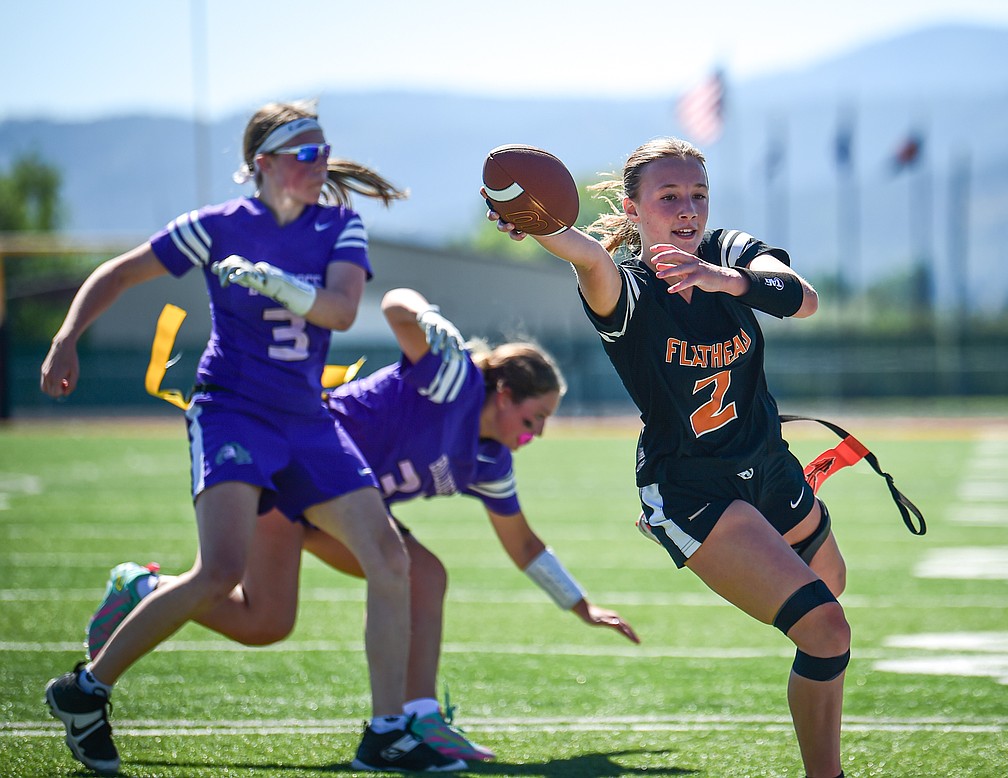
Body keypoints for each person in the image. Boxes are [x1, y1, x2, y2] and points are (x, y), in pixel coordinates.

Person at [40, 100, 463, 773]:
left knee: (389, 559)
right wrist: (66, 338)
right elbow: (118, 272)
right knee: (221, 571)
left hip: (306, 418)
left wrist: (282, 286)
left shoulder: (338, 225)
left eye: (323, 150)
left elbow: (344, 309)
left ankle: (385, 732)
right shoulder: (216, 227)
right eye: (304, 153)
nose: (319, 163)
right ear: (263, 164)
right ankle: (85, 690)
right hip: (233, 410)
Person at [86, 287, 640, 763]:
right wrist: (428, 314)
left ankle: (417, 718)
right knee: (323, 602)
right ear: (503, 394)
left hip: (339, 508)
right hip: (293, 471)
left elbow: (522, 544)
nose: (537, 433)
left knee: (357, 595)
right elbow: (398, 306)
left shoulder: (491, 460)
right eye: (534, 417)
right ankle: (146, 592)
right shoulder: (452, 379)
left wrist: (579, 604)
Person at [484, 136, 851, 778]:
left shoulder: (728, 253)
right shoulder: (624, 289)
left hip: (766, 461)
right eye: (669, 196)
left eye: (698, 195)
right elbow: (582, 253)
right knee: (826, 629)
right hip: (694, 485)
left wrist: (724, 278)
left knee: (832, 588)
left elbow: (805, 297)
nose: (688, 208)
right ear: (634, 209)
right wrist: (532, 217)